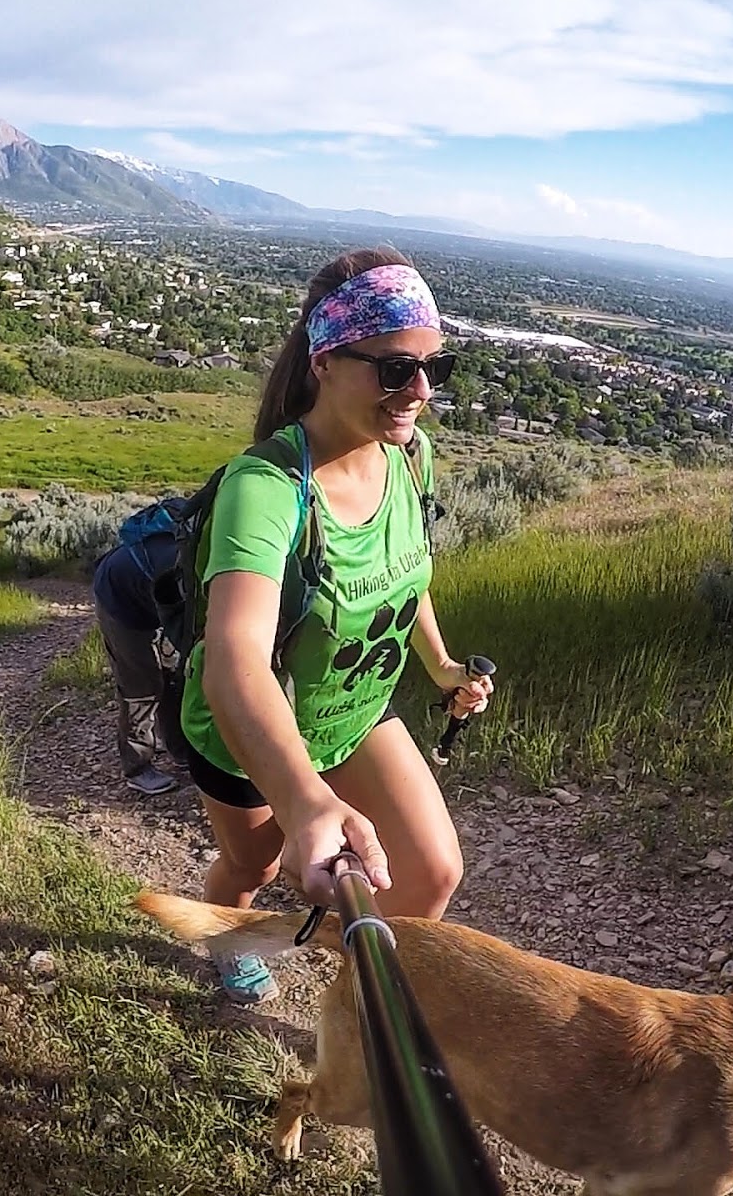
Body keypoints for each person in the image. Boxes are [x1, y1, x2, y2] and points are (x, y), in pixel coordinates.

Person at [175, 248, 493, 1005]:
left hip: (354, 711)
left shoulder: (410, 457)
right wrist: (306, 801)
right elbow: (236, 660)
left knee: (433, 871)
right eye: (394, 369)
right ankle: (228, 933)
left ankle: (358, 1013)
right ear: (325, 359)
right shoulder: (267, 487)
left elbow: (405, 572)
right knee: (251, 868)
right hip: (248, 733)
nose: (419, 392)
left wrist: (442, 666)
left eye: (434, 369)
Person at [92, 532, 188, 795]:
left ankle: (180, 750)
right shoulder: (190, 569)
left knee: (174, 673)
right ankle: (137, 768)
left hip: (153, 596)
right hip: (119, 600)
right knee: (141, 685)